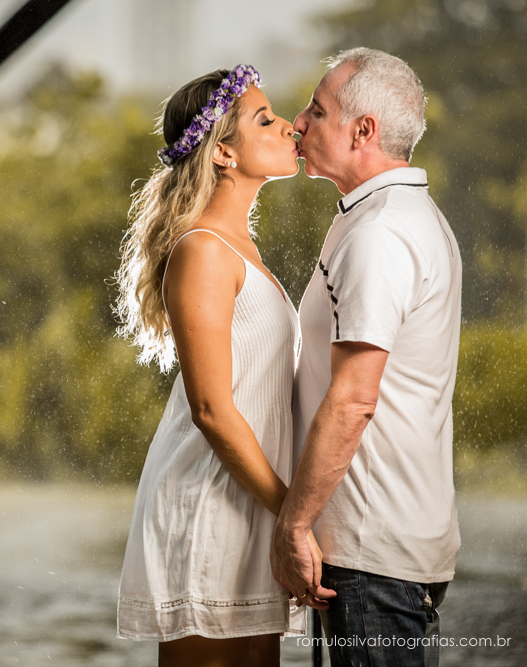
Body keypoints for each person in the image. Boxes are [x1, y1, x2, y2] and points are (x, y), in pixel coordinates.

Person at [115, 66, 326, 667]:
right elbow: (209, 409)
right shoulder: (204, 250)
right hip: (210, 503)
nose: (288, 127)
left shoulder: (239, 248)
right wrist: (294, 517)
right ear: (224, 153)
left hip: (250, 501)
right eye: (265, 119)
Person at [269, 47, 461, 667]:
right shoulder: (391, 216)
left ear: (363, 131)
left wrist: (293, 526)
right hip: (379, 551)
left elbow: (354, 398)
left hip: (372, 557)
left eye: (317, 111)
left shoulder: (380, 232)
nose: (298, 122)